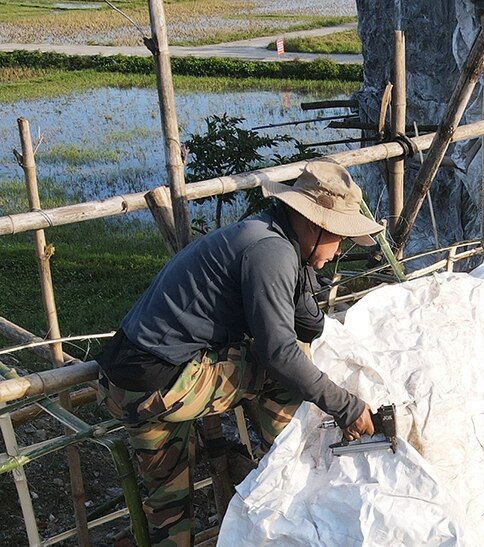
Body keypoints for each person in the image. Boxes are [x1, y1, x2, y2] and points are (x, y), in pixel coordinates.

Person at [96, 159, 384, 546]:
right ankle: (284, 476)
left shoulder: (261, 234)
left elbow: (310, 323)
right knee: (278, 370)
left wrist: (304, 278)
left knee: (169, 500)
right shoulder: (272, 253)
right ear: (317, 224)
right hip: (164, 384)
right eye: (340, 239)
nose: (339, 251)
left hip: (124, 379)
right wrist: (346, 406)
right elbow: (280, 353)